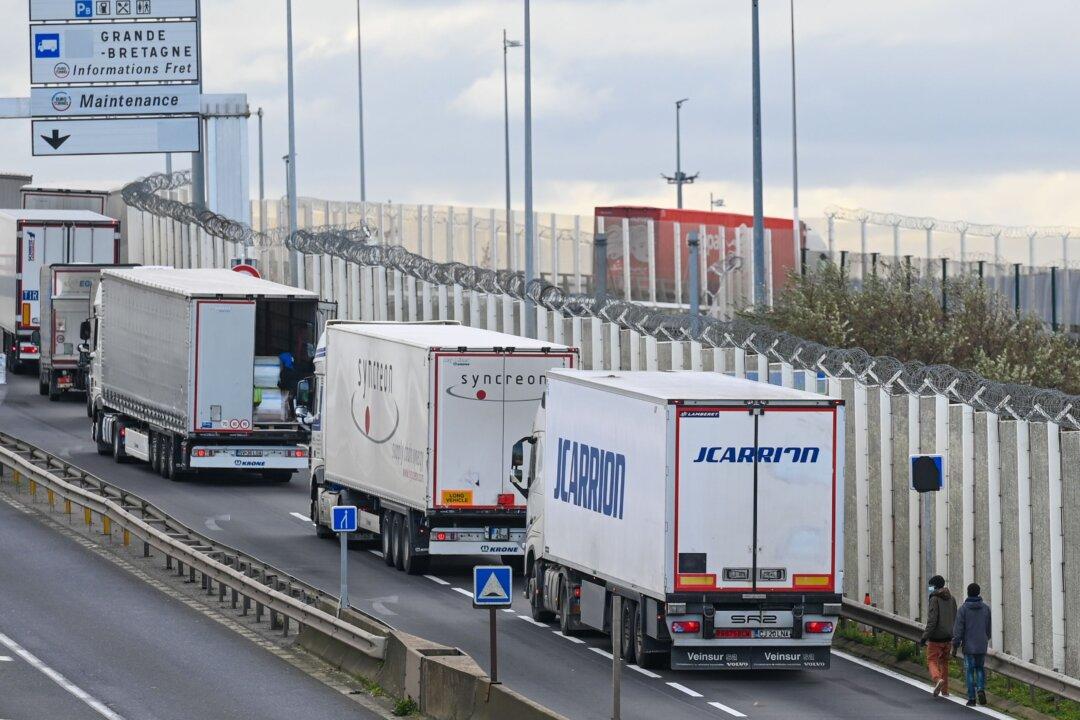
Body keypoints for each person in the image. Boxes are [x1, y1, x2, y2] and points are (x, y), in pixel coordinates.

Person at [953, 582, 992, 706]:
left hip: (969, 645)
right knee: (980, 668)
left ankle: (971, 698)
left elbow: (958, 629)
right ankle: (980, 689)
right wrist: (986, 638)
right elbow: (988, 628)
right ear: (979, 592)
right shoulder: (986, 608)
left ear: (968, 592)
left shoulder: (963, 609)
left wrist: (956, 644)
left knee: (969, 670)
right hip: (981, 643)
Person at [920, 575, 957, 697]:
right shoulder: (952, 599)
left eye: (931, 586)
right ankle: (945, 690)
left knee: (932, 660)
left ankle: (937, 679)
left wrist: (925, 636)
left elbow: (932, 620)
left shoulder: (934, 599)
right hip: (948, 637)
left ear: (935, 586)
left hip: (936, 637)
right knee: (944, 662)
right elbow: (954, 617)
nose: (929, 588)